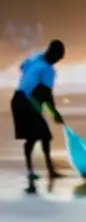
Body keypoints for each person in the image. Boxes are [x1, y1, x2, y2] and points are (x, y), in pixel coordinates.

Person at [11, 40, 65, 182]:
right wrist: (55, 113)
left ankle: (44, 170)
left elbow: (22, 67)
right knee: (42, 135)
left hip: (19, 98)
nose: (58, 61)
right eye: (58, 57)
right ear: (53, 53)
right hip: (25, 101)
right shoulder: (48, 69)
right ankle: (44, 170)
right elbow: (46, 94)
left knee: (37, 136)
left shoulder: (36, 58)